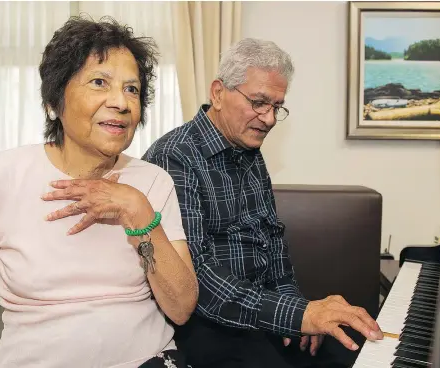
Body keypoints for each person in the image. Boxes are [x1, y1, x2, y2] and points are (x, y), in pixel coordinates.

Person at [0, 17, 198, 368]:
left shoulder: (153, 181)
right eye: (99, 82)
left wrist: (138, 211)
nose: (121, 102)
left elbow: (181, 308)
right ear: (53, 101)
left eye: (132, 89)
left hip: (147, 360)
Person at [142, 38, 384, 368]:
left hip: (257, 317)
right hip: (205, 328)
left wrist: (293, 307)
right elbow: (198, 278)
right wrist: (298, 315)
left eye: (277, 107)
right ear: (217, 93)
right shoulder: (175, 157)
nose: (269, 119)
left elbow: (272, 244)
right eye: (259, 102)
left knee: (362, 354)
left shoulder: (250, 152)